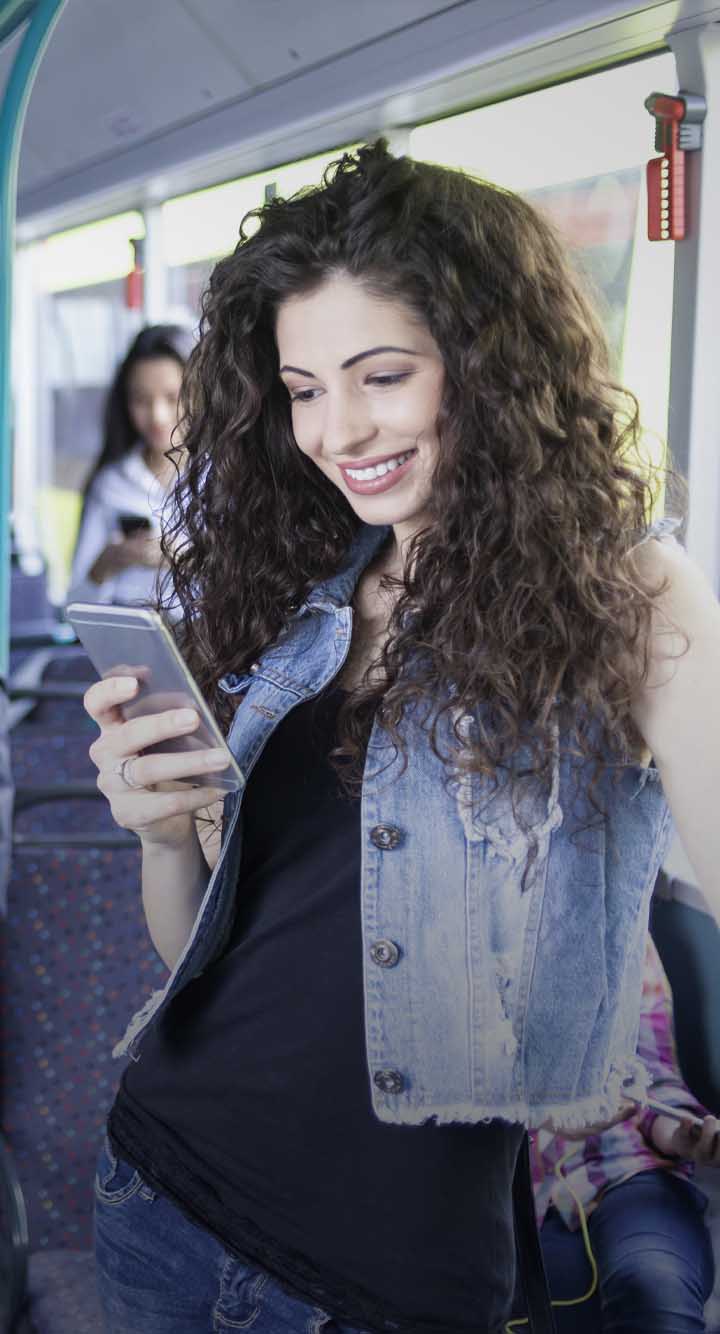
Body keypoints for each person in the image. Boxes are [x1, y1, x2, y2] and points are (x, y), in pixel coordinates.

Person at [82, 140, 720, 1334]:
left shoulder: (629, 599)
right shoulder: (315, 589)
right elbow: (201, 950)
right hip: (153, 1194)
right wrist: (162, 833)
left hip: (385, 1284)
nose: (337, 429)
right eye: (306, 387)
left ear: (487, 364)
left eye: (380, 374)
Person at [532, 933, 718, 1332]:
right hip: (497, 1192)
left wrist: (681, 1134)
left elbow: (650, 1074)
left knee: (656, 1290)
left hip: (624, 1167)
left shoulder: (617, 915)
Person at [66, 323, 192, 607]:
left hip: (206, 645)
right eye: (141, 400)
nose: (157, 416)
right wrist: (108, 562)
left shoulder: (224, 477)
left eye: (173, 398)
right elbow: (75, 608)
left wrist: (182, 556)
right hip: (128, 641)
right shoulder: (111, 484)